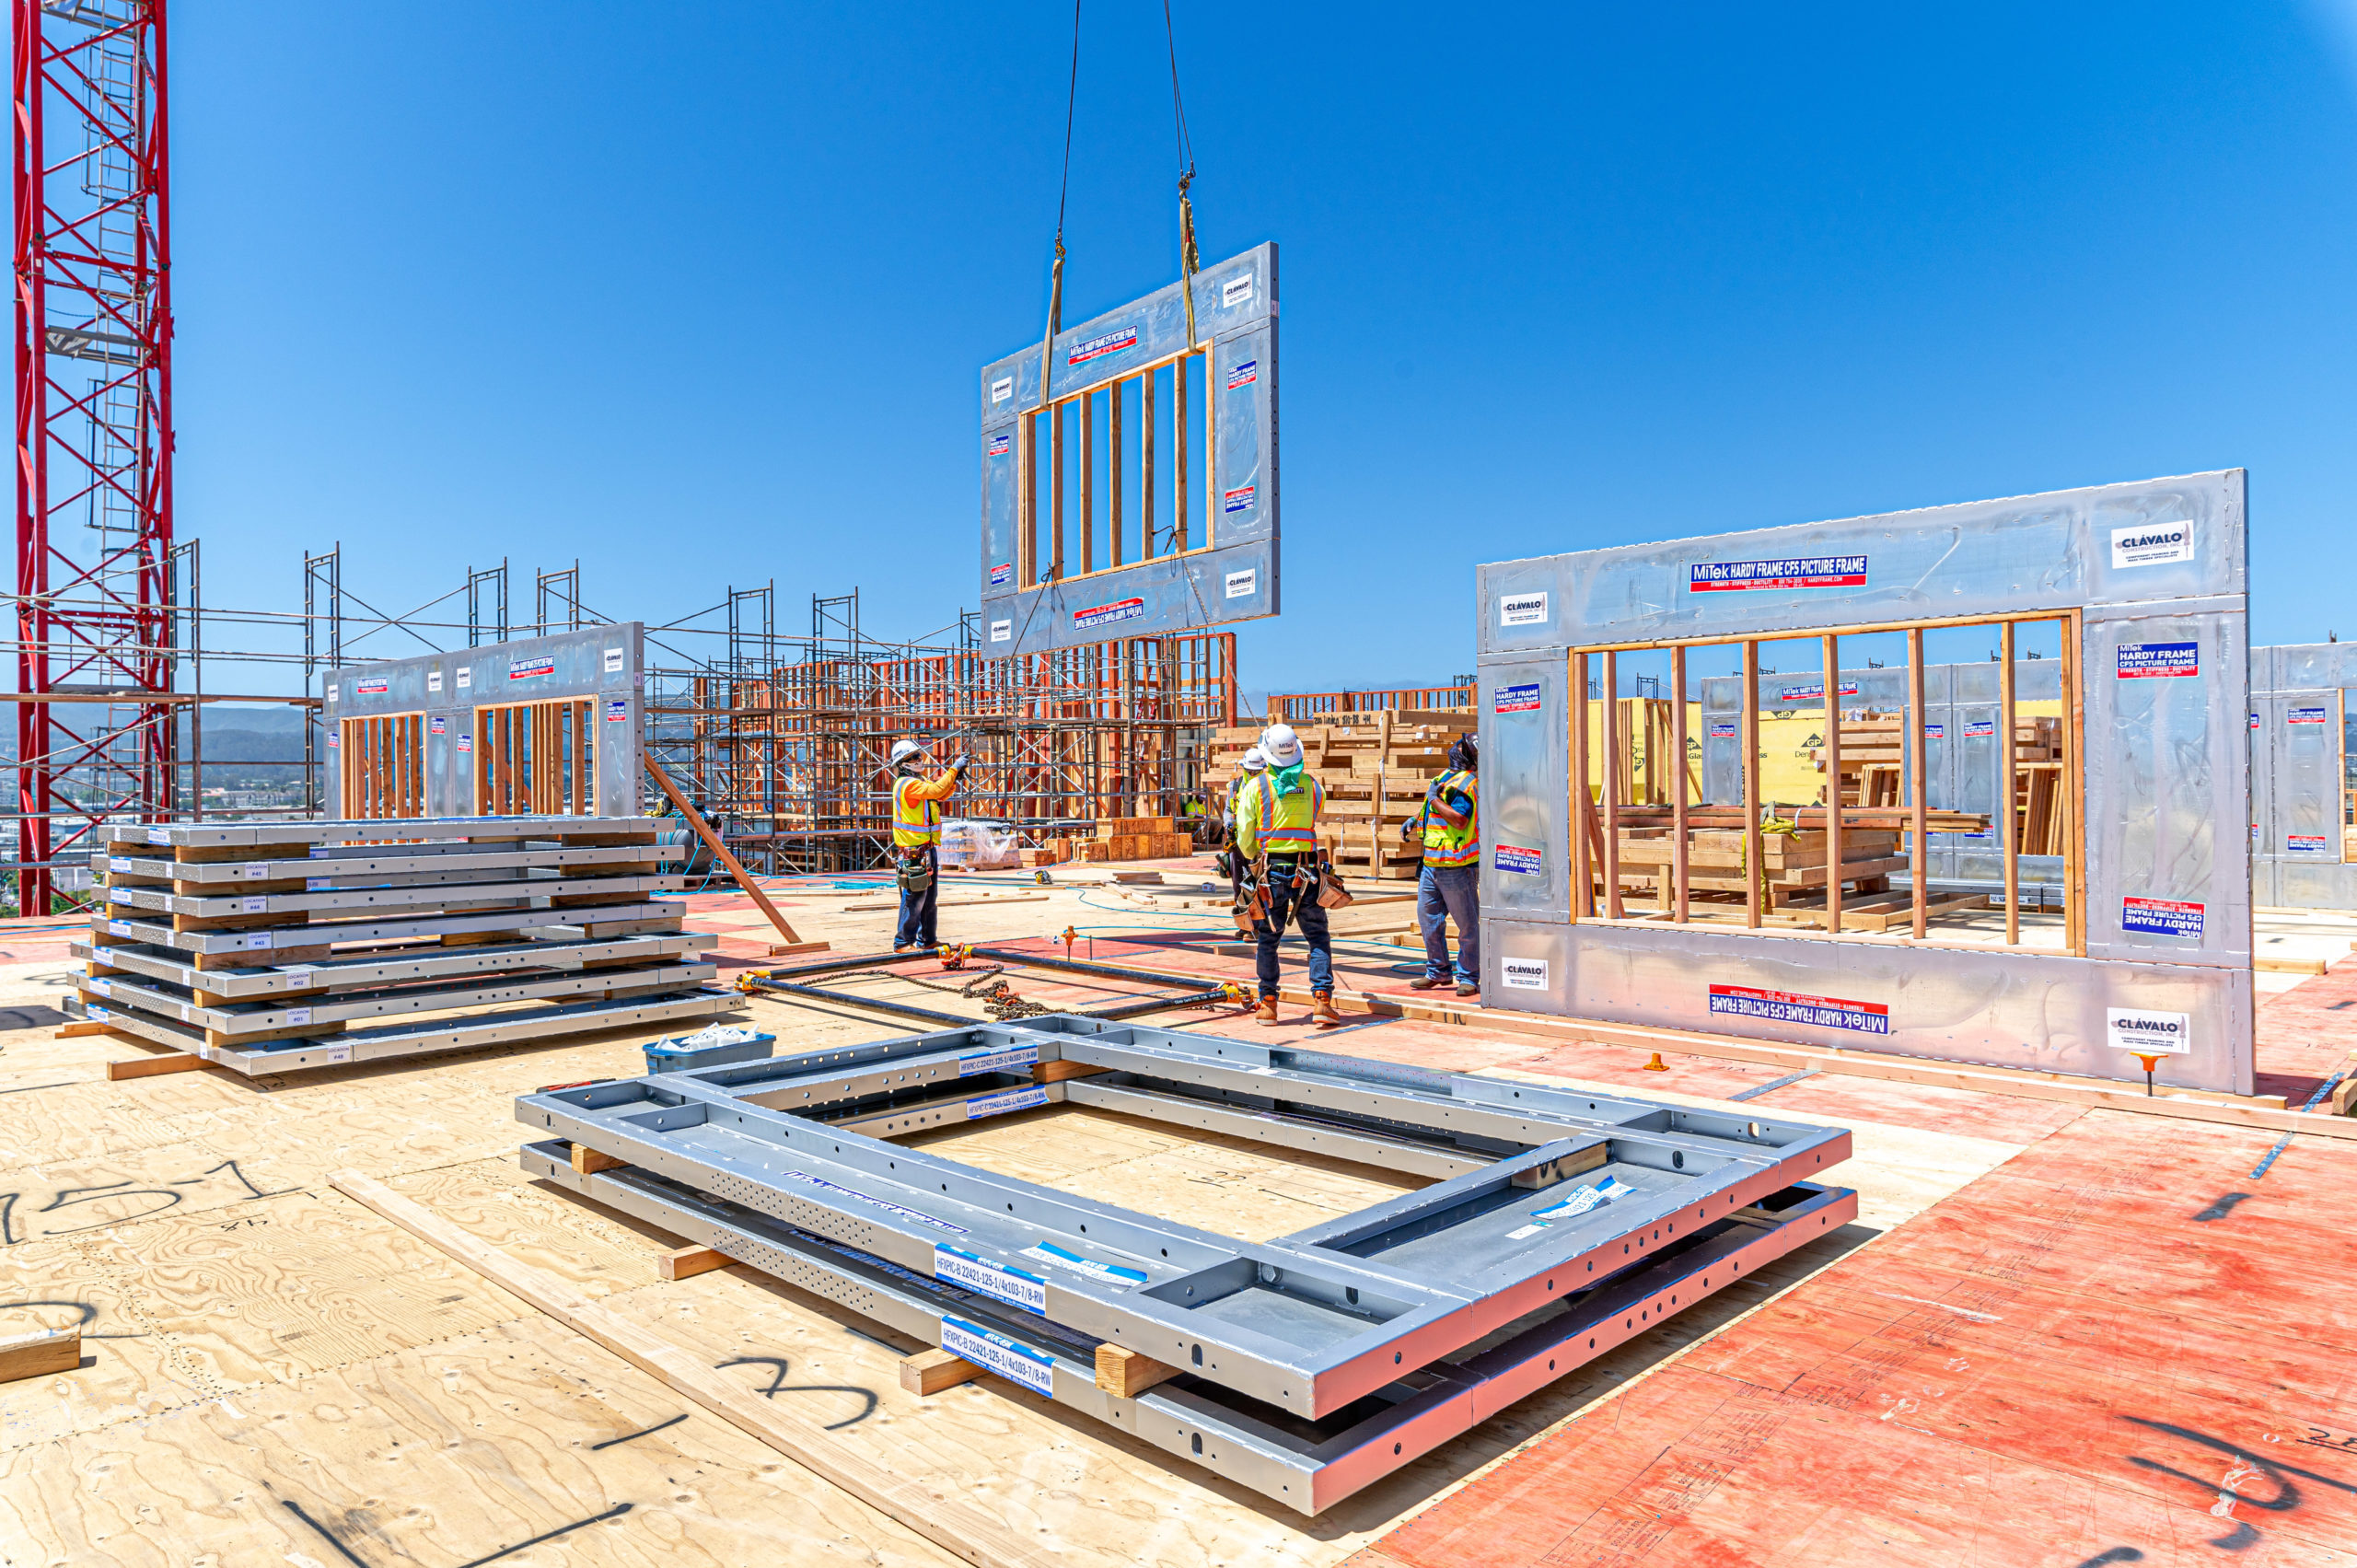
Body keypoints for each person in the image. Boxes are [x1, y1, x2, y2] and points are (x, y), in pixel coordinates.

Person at [1233, 723, 1339, 1028]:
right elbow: (1312, 817)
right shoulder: (1314, 787)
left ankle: (1268, 1005)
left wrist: (1255, 858)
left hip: (1271, 873)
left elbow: (1244, 837)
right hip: (1307, 870)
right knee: (1317, 936)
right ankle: (1322, 1001)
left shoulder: (1255, 788)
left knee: (1268, 938)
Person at [1404, 734, 1480, 996]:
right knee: (1429, 921)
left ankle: (1469, 977)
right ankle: (1438, 971)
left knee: (1468, 925)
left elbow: (1459, 819)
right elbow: (1431, 806)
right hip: (1431, 864)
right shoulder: (1442, 777)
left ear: (1466, 754)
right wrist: (1414, 819)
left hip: (1456, 866)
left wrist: (1434, 800)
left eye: (1460, 746)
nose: (1454, 748)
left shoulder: (1466, 784)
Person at [888, 738, 968, 952]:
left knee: (929, 899)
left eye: (918, 756)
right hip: (914, 852)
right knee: (913, 898)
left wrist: (954, 779)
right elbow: (935, 790)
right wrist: (953, 769)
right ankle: (903, 942)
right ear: (903, 762)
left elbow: (938, 794)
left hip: (926, 849)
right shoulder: (908, 784)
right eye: (914, 757)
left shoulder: (918, 782)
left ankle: (927, 940)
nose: (919, 759)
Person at [1220, 747, 1269, 921]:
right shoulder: (1235, 786)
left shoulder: (1267, 787)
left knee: (1258, 885)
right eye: (1249, 770)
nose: (1252, 774)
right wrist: (1229, 823)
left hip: (1259, 845)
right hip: (1238, 844)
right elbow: (1227, 810)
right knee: (1238, 884)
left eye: (1256, 771)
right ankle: (1244, 923)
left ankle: (1257, 924)